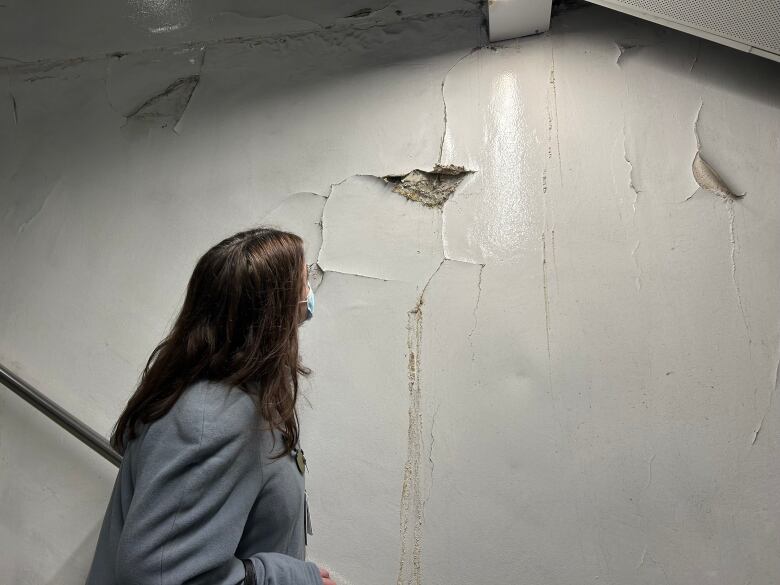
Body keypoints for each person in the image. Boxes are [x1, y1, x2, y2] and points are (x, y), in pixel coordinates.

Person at [86, 227, 335, 585]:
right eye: (303, 278)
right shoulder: (213, 418)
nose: (308, 292)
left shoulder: (241, 400)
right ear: (270, 308)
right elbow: (160, 575)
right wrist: (288, 578)